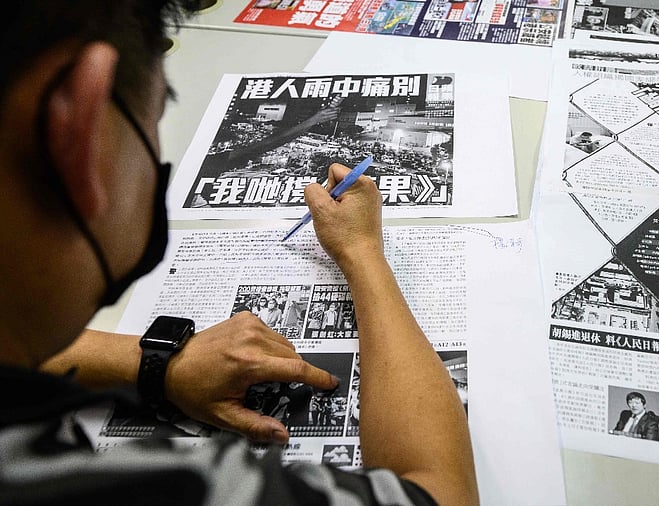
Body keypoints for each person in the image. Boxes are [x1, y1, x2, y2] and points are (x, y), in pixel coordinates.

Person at [0, 2, 477, 505]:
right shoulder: (141, 486)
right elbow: (440, 492)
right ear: (81, 131)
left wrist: (159, 363)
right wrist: (361, 251)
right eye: (158, 112)